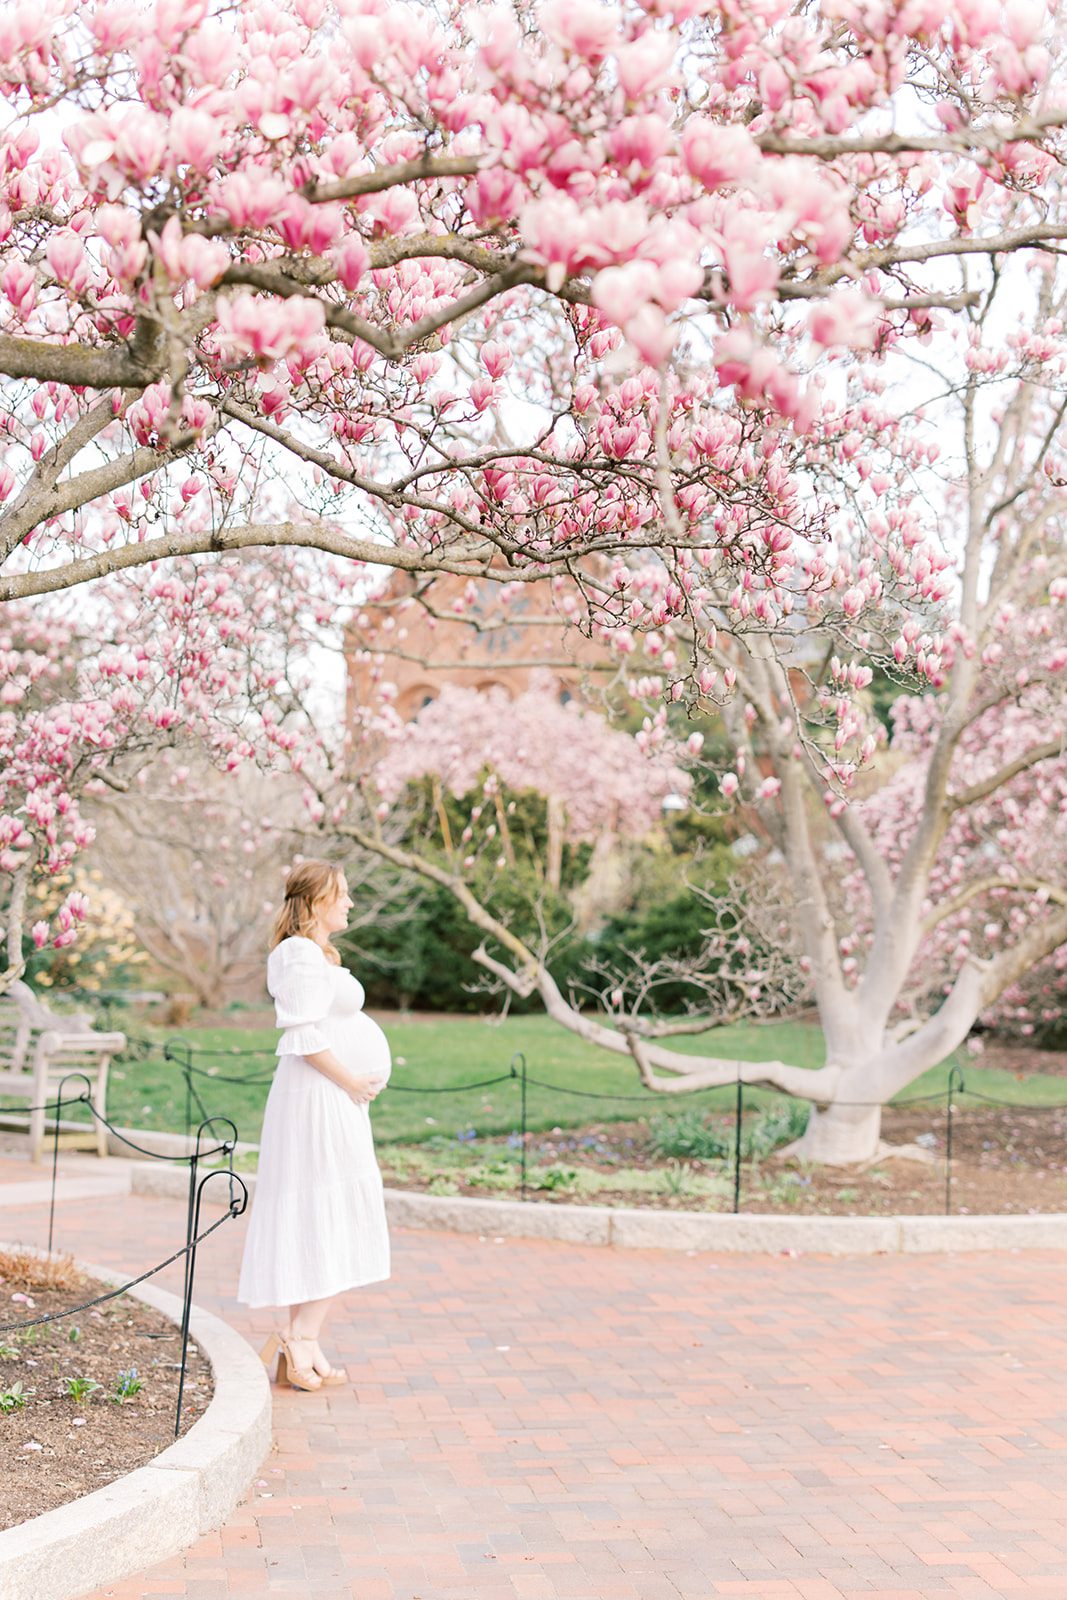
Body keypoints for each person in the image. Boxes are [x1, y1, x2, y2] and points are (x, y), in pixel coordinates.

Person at [236, 858, 391, 1390]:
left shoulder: (314, 953)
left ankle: (306, 1340)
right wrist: (349, 1081)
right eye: (342, 893)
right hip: (318, 1099)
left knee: (325, 1210)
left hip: (328, 1098)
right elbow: (302, 1037)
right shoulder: (299, 953)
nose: (349, 902)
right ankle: (298, 1340)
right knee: (330, 1211)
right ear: (318, 900)